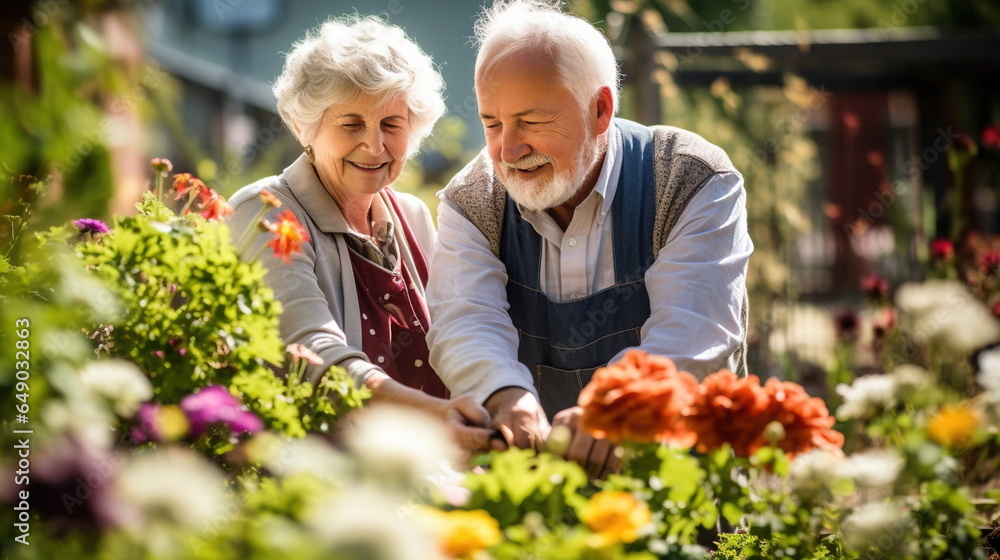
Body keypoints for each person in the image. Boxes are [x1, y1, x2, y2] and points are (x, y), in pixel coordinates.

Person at [425, 0, 753, 476]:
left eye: (531, 121)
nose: (508, 150)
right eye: (491, 124)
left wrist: (616, 407)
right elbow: (465, 320)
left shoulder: (691, 178)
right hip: (540, 498)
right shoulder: (471, 200)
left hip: (682, 488)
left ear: (600, 109)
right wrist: (503, 394)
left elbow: (694, 331)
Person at [227, 15, 493, 452]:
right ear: (306, 129)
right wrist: (432, 415)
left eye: (392, 124)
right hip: (325, 486)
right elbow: (309, 349)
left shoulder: (412, 216)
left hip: (433, 469)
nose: (374, 145)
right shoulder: (268, 213)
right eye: (350, 124)